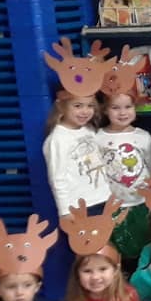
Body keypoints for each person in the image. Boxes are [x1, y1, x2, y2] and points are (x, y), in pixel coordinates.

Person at [96, 87, 151, 269]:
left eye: (128, 107)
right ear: (105, 110)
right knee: (117, 247)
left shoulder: (143, 137)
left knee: (145, 245)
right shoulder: (98, 138)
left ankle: (144, 276)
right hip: (113, 205)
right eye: (116, 108)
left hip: (141, 202)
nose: (123, 113)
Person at [43, 87, 110, 219]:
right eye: (78, 106)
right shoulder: (58, 139)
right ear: (61, 107)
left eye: (90, 106)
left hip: (103, 199)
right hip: (81, 207)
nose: (85, 111)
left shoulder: (89, 130)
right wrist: (65, 211)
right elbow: (57, 178)